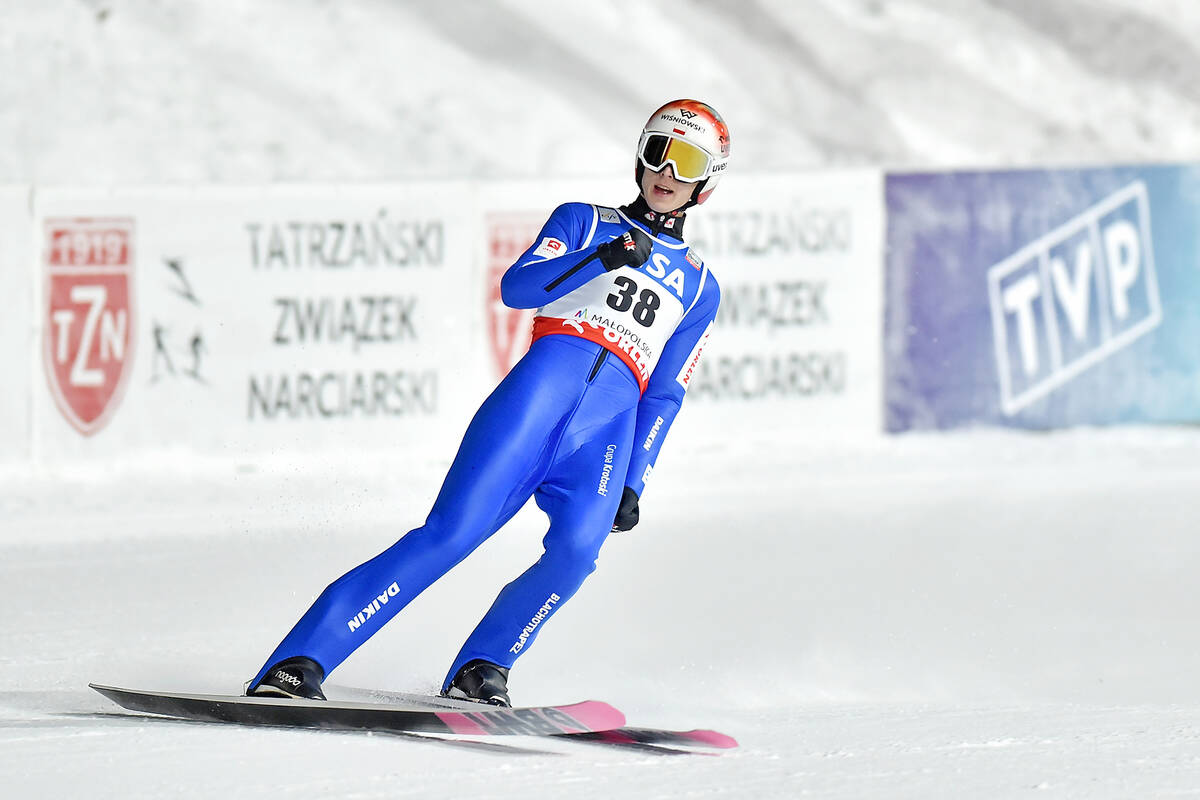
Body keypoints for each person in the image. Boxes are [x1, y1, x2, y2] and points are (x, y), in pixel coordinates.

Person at [246, 99, 731, 707]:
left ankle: (483, 668)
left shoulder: (703, 287)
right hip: (535, 400)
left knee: (578, 555)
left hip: (607, 430)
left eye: (687, 161)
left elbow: (664, 393)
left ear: (706, 183)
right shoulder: (583, 219)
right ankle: (299, 661)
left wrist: (637, 477)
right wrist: (601, 258)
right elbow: (518, 286)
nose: (667, 170)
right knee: (450, 535)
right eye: (657, 150)